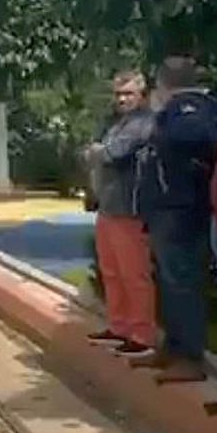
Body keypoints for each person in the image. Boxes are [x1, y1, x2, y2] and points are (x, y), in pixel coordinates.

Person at [134, 56, 217, 383]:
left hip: (182, 209)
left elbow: (193, 138)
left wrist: (167, 115)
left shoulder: (190, 109)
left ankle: (190, 357)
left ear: (164, 84)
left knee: (183, 282)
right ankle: (172, 346)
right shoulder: (178, 112)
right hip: (167, 208)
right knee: (168, 280)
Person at [83, 71, 157, 357]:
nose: (122, 99)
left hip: (130, 209)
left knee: (133, 273)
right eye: (118, 94)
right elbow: (97, 151)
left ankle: (142, 334)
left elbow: (114, 152)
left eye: (128, 93)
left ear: (142, 95)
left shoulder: (144, 123)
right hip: (109, 206)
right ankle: (119, 326)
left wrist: (97, 151)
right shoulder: (116, 123)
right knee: (112, 272)